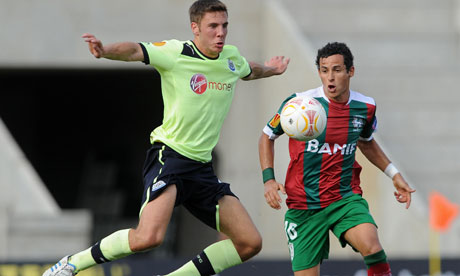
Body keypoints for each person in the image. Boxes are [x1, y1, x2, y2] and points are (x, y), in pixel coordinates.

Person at [42, 1, 290, 276]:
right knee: (148, 237)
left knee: (249, 242)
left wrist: (271, 69)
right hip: (170, 158)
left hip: (202, 169)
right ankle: (73, 263)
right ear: (195, 28)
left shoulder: (231, 58)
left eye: (224, 26)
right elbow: (136, 50)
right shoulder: (176, 53)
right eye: (213, 26)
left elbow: (248, 70)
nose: (221, 33)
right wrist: (105, 51)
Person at [258, 42, 415, 276]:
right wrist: (269, 180)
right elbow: (267, 136)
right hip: (304, 204)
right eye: (324, 70)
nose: (330, 77)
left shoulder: (366, 107)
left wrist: (394, 174)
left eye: (337, 70)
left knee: (372, 245)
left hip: (343, 198)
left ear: (350, 71)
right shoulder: (299, 105)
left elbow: (366, 141)